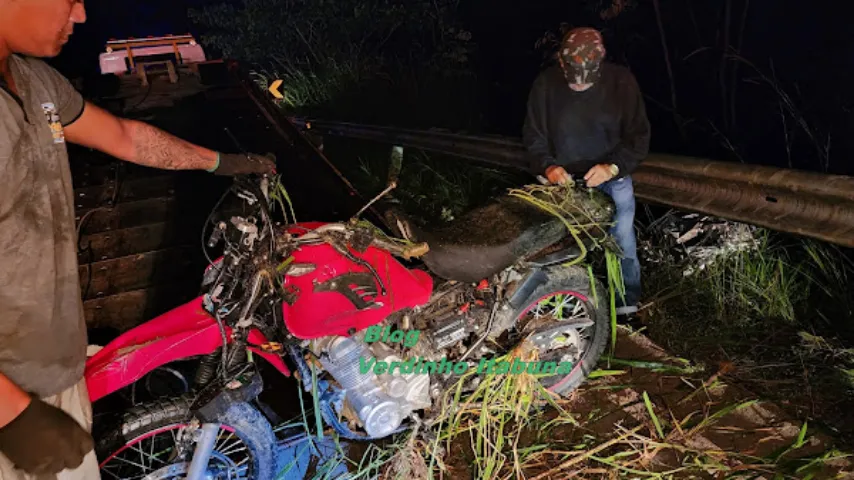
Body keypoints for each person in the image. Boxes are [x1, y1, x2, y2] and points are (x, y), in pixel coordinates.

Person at [0, 0, 276, 477]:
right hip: (16, 400)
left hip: (53, 368)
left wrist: (221, 163)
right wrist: (12, 413)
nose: (81, 16)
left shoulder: (34, 82)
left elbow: (125, 137)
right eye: (69, 1)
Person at [522, 26, 650, 317]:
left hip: (610, 178)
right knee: (555, 243)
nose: (579, 87)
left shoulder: (621, 83)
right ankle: (561, 302)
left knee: (621, 239)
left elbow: (639, 137)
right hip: (560, 182)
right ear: (562, 63)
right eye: (573, 81)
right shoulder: (545, 85)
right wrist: (548, 167)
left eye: (586, 82)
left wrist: (612, 167)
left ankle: (625, 304)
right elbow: (533, 137)